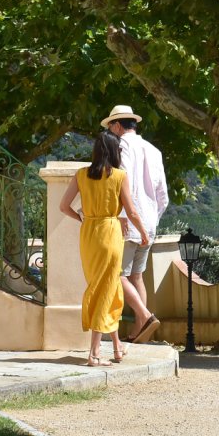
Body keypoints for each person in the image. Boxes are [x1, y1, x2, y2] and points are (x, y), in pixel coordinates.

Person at [59, 130, 151, 366]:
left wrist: (83, 217)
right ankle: (94, 353)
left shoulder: (81, 175)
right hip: (110, 233)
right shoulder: (119, 176)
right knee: (105, 288)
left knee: (106, 287)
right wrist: (142, 233)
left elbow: (64, 206)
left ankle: (117, 347)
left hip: (89, 233)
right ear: (114, 151)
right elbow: (130, 211)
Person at [100, 104, 169, 344]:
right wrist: (151, 221)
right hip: (149, 223)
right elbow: (163, 195)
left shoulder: (120, 146)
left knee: (117, 273)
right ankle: (141, 332)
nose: (109, 131)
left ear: (118, 125)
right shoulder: (154, 150)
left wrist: (124, 217)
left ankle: (146, 317)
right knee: (137, 276)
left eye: (110, 126)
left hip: (128, 221)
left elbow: (122, 182)